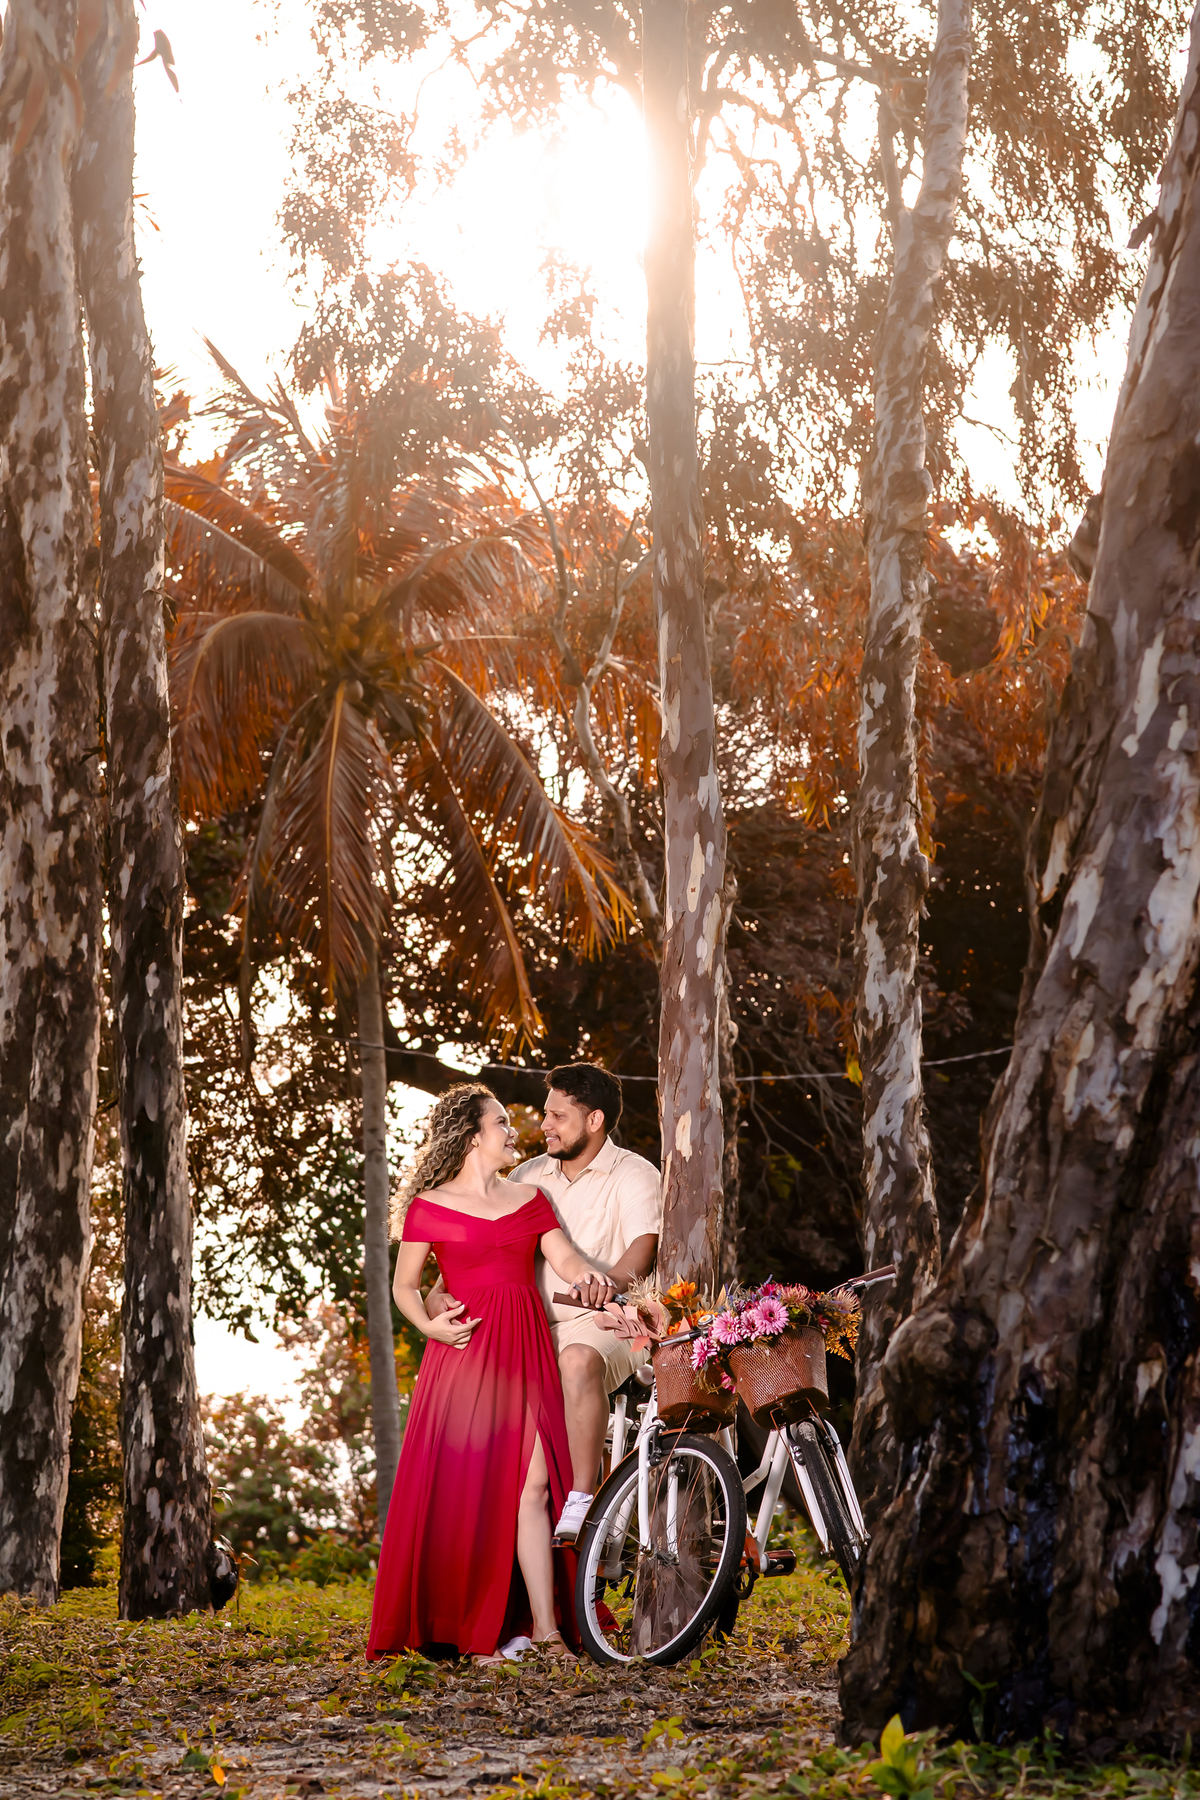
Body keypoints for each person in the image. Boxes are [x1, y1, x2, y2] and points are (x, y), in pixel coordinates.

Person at [367, 1083, 616, 1665]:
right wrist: (430, 1328)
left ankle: (549, 1630)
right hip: (463, 1354)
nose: (513, 1130)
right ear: (474, 1134)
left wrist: (593, 1282)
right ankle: (469, 1625)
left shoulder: (530, 1199)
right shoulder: (428, 1206)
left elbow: (568, 1260)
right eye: (502, 1122)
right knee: (471, 1493)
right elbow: (404, 1286)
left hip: (524, 1347)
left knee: (532, 1484)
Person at [429, 1063, 661, 1543]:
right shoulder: (527, 1175)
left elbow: (640, 1251)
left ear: (594, 1121)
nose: (544, 1126)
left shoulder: (635, 1174)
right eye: (545, 1114)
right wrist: (440, 1294)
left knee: (577, 1361)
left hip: (608, 1324)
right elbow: (477, 1251)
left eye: (558, 1116)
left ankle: (583, 1500)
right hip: (527, 1329)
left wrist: (606, 1283)